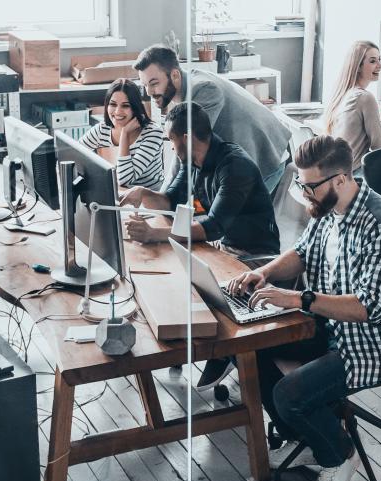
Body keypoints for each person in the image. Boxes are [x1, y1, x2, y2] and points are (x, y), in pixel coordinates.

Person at [227, 136, 381, 481]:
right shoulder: (327, 210)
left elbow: (367, 308)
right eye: (300, 182)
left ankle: (338, 456)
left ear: (341, 180)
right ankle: (305, 435)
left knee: (288, 394)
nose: (303, 192)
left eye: (309, 185)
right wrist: (263, 274)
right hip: (328, 325)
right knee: (246, 345)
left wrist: (298, 299)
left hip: (372, 343)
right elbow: (303, 252)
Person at [121, 102, 281, 391]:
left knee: (201, 288)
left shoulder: (235, 166)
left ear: (188, 136)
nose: (170, 146)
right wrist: (143, 193)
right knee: (174, 275)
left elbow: (213, 225)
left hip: (254, 257)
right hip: (221, 248)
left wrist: (155, 234)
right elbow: (170, 200)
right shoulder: (190, 161)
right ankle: (191, 344)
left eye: (171, 139)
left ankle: (224, 352)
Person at [133, 45, 293, 193]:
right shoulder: (187, 88)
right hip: (239, 161)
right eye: (144, 85)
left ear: (175, 74)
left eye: (154, 83)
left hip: (265, 159)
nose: (148, 92)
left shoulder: (205, 90)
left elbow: (187, 148)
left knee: (237, 221)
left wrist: (164, 197)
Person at [322, 40, 381, 171]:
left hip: (338, 173)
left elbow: (354, 134)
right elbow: (380, 147)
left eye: (379, 59)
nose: (380, 65)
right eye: (373, 61)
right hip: (354, 176)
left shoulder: (343, 93)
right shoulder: (365, 98)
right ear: (358, 66)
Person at [79, 78, 166, 190]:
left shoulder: (153, 133)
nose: (117, 111)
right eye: (113, 104)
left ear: (135, 108)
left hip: (148, 200)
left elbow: (125, 179)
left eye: (125, 106)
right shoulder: (103, 129)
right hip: (117, 195)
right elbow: (74, 154)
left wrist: (125, 134)